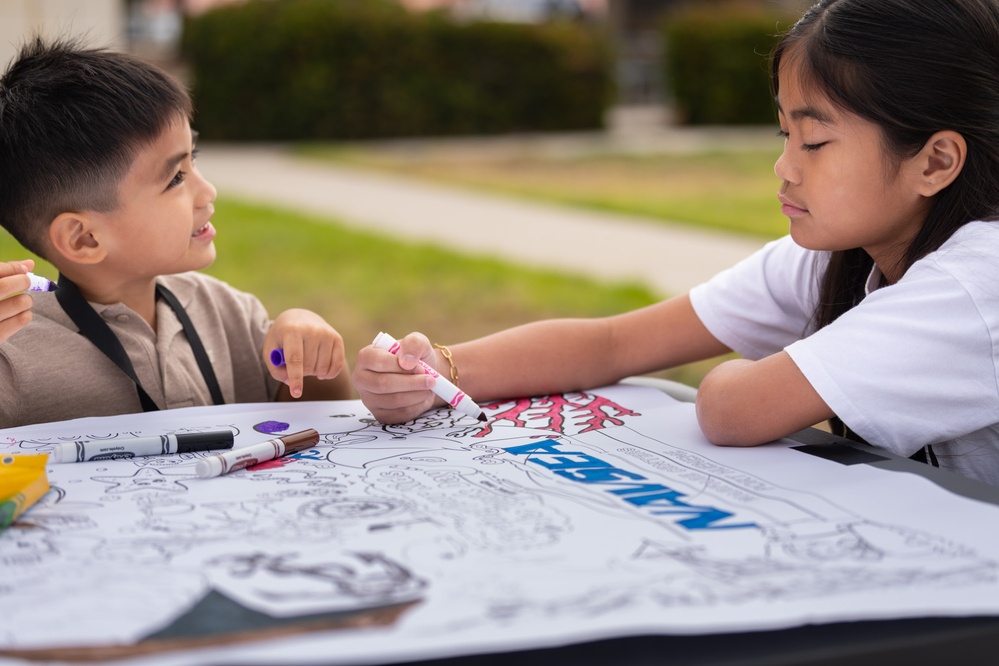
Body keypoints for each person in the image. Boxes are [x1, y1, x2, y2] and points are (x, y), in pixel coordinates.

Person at [353, 0, 999, 486]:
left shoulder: (977, 280)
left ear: (935, 161)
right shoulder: (842, 255)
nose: (784, 168)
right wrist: (441, 368)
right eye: (783, 136)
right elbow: (616, 342)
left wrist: (779, 368)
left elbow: (731, 409)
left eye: (815, 142)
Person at [0, 37, 351, 428]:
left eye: (193, 159)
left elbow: (323, 420)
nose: (208, 192)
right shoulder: (11, 352)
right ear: (84, 239)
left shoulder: (227, 313)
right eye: (176, 177)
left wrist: (313, 350)